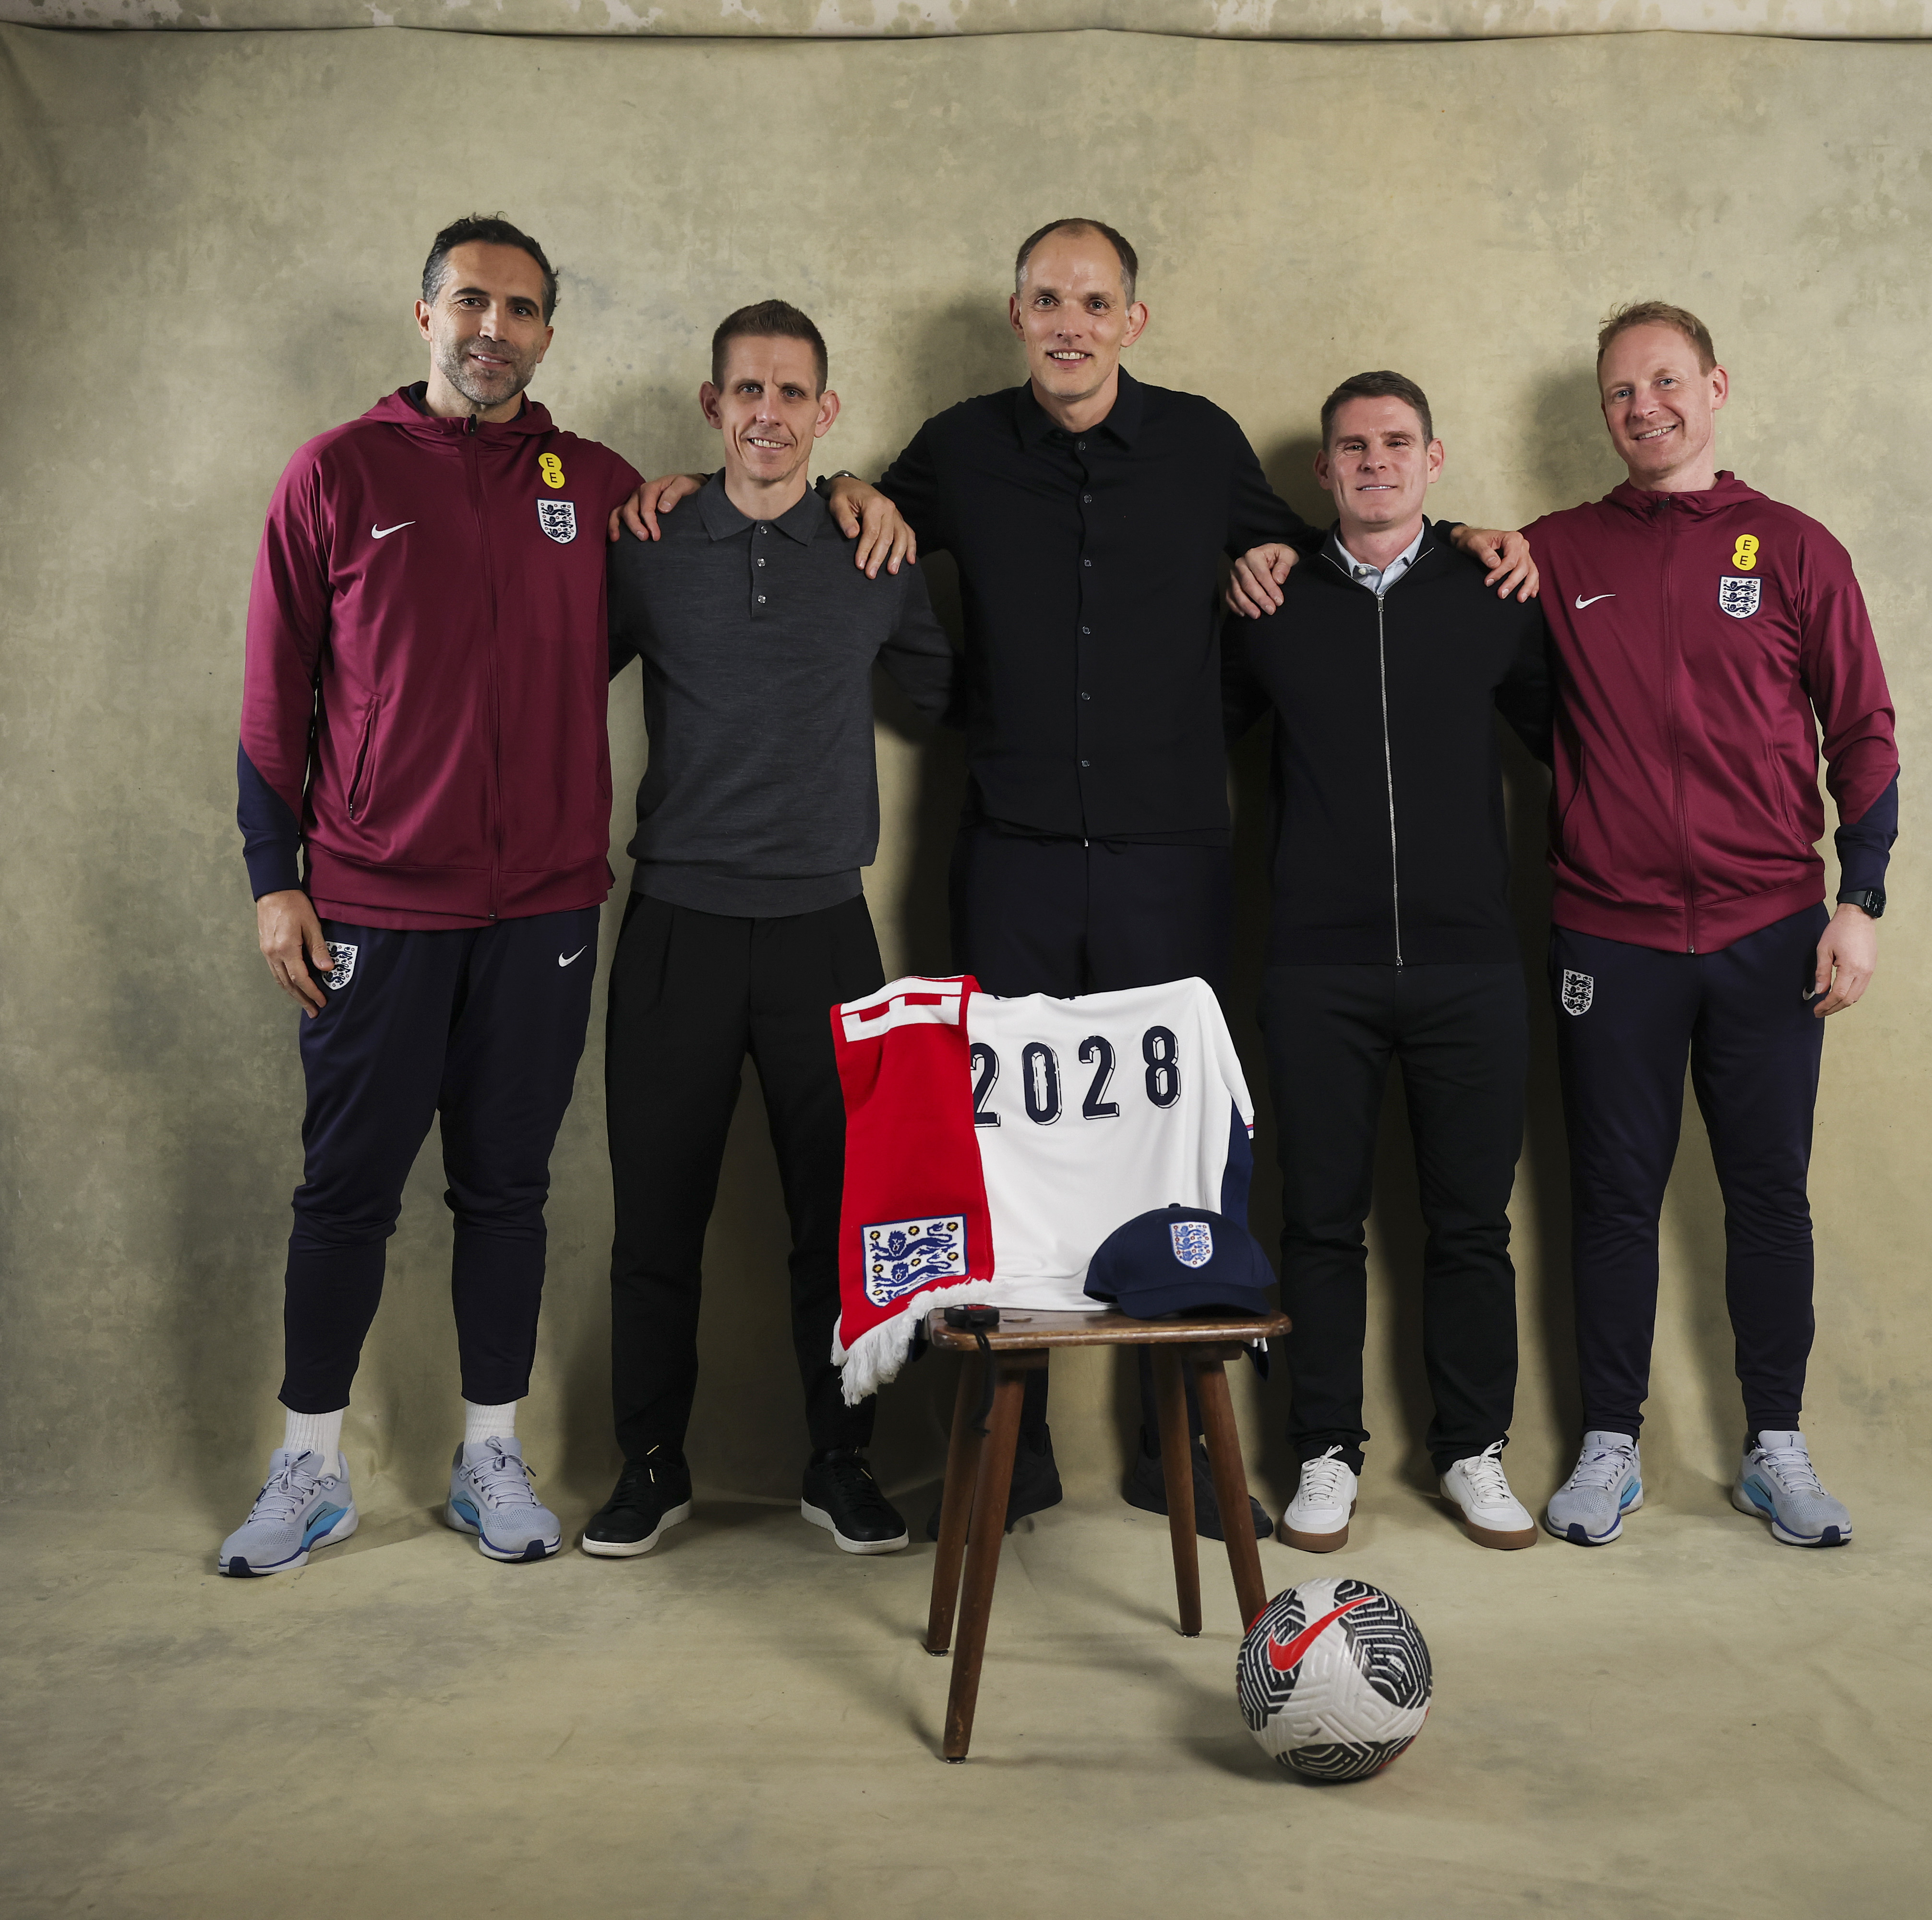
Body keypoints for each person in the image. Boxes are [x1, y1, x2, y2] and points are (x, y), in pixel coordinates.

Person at [620, 218, 1539, 1539]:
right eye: (1047, 299)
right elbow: (837, 506)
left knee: (1181, 1147)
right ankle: (1014, 1453)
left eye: (1093, 302)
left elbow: (1346, 548)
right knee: (1000, 1149)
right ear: (1017, 315)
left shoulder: (1201, 445)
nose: (1069, 323)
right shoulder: (955, 449)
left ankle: (1179, 1449)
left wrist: (1459, 538)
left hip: (1173, 857)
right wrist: (797, 486)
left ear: (1130, 321)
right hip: (1013, 853)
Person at [1241, 303, 1899, 1548]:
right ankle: (1607, 1444)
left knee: (1767, 1196)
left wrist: (1856, 899)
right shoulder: (1545, 553)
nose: (1644, 406)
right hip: (1609, 934)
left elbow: (1862, 729)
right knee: (1607, 1199)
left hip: (1768, 924)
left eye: (1664, 382)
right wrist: (1348, 547)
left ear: (1712, 387)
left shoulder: (1793, 548)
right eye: (1620, 391)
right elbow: (1445, 583)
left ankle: (1774, 1444)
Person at [221, 215, 643, 1575]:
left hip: (545, 907)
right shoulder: (336, 473)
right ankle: (307, 1468)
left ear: (546, 334)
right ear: (425, 316)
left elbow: (718, 539)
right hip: (373, 902)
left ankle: (488, 1457)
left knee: (506, 1189)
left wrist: (851, 491)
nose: (491, 329)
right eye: (469, 302)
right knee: (345, 1191)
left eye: (519, 309)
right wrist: (273, 878)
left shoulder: (595, 483)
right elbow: (274, 695)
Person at [580, 302, 957, 1561]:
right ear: (712, 405)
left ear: (825, 412)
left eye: (793, 393)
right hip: (676, 928)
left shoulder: (872, 554)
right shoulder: (648, 545)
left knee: (839, 1227)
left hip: (822, 931)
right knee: (655, 1224)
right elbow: (546, 681)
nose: (768, 413)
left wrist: (871, 501)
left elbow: (952, 694)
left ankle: (839, 1462)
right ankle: (649, 1463)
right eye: (746, 389)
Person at [1224, 372, 1551, 1555]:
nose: (1374, 461)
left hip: (1470, 963)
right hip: (1318, 966)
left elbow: (1574, 737)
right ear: (1322, 470)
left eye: (1396, 442)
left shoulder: (1491, 589)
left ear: (1432, 459)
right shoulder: (1267, 599)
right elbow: (1188, 734)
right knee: (1319, 1223)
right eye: (1352, 447)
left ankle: (1472, 1449)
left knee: (1471, 1226)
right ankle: (1323, 1450)